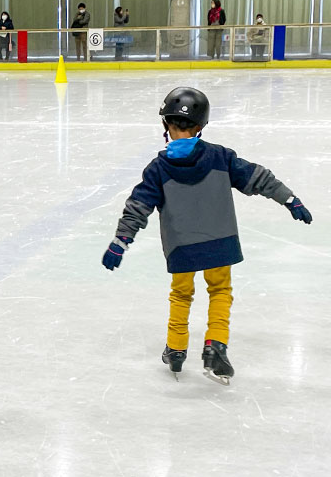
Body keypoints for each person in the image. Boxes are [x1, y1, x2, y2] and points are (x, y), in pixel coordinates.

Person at [101, 87, 313, 386]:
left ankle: (176, 349)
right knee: (220, 292)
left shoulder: (158, 169)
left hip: (182, 248)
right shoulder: (220, 157)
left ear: (166, 125)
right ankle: (215, 346)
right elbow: (258, 178)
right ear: (201, 127)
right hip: (219, 243)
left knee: (181, 294)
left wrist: (120, 242)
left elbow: (138, 208)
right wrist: (290, 200)